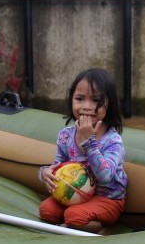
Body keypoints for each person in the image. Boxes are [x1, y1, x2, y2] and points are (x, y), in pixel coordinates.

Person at [39, 68, 127, 233]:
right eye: (79, 99)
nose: (87, 107)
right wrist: (45, 173)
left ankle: (102, 229)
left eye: (96, 100)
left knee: (73, 216)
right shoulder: (66, 136)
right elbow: (58, 164)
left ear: (111, 104)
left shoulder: (113, 141)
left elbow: (106, 177)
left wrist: (89, 142)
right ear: (71, 100)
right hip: (76, 195)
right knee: (47, 210)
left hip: (107, 199)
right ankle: (74, 224)